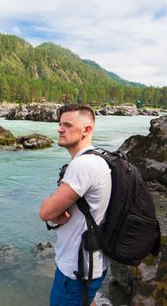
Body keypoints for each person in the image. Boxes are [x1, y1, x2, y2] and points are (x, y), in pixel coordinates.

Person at [39, 104, 112, 306]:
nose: (60, 129)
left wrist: (51, 208)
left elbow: (45, 212)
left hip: (77, 269)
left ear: (87, 130)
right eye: (60, 124)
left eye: (68, 125)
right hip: (94, 262)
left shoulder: (83, 166)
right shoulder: (99, 158)